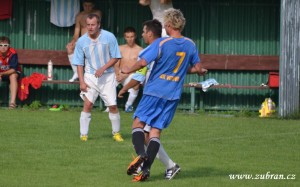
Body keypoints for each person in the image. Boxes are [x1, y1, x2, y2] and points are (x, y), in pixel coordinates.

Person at [123, 8, 207, 182]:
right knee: (155, 132)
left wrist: (126, 70)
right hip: (173, 95)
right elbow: (197, 68)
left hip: (154, 91)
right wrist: (200, 71)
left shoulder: (162, 43)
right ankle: (145, 171)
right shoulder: (190, 44)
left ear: (168, 25)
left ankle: (141, 155)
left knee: (138, 123)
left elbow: (143, 62)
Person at [119, 20, 181, 180]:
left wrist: (125, 88)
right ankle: (166, 167)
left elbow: (139, 76)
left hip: (153, 95)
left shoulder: (150, 50)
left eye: (143, 31)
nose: (141, 34)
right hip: (171, 94)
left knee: (139, 126)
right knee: (152, 134)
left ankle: (142, 159)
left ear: (150, 33)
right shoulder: (171, 47)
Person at [72, 14, 124, 142]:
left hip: (108, 76)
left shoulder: (109, 37)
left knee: (112, 106)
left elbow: (116, 56)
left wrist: (103, 68)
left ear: (99, 25)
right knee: (88, 104)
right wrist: (81, 82)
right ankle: (83, 135)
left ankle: (116, 133)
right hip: (90, 76)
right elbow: (79, 63)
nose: (90, 27)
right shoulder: (81, 41)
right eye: (88, 25)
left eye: (93, 25)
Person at [66, 0, 102, 82]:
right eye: (85, 5)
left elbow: (96, 28)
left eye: (89, 5)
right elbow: (76, 34)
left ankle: (87, 76)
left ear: (93, 5)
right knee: (69, 48)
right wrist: (72, 42)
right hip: (82, 40)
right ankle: (77, 72)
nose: (87, 7)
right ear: (82, 5)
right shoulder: (79, 16)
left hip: (94, 40)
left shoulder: (97, 13)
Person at [114, 27, 143, 112]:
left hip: (131, 74)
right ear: (124, 37)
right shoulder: (120, 48)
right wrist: (118, 74)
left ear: (135, 36)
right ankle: (110, 106)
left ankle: (128, 106)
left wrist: (126, 74)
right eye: (128, 37)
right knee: (108, 84)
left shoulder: (140, 50)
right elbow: (116, 64)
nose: (130, 39)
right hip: (119, 73)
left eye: (132, 36)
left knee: (136, 83)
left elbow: (140, 67)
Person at [0, 36, 21, 109]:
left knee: (13, 76)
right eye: (1, 45)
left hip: (11, 72)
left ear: (9, 46)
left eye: (5, 45)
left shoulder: (13, 53)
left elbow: (13, 69)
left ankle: (12, 103)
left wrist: (2, 73)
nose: (3, 47)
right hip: (1, 73)